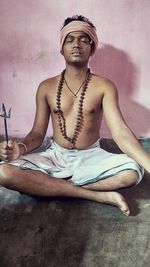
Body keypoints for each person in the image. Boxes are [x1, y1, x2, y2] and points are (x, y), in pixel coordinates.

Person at [0, 15, 149, 216]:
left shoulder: (104, 86)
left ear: (92, 47)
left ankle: (51, 186)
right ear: (62, 48)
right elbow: (37, 133)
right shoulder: (46, 87)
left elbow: (120, 131)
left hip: (92, 157)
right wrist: (20, 148)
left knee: (132, 171)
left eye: (83, 39)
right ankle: (97, 195)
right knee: (4, 172)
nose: (76, 45)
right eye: (69, 39)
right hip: (55, 155)